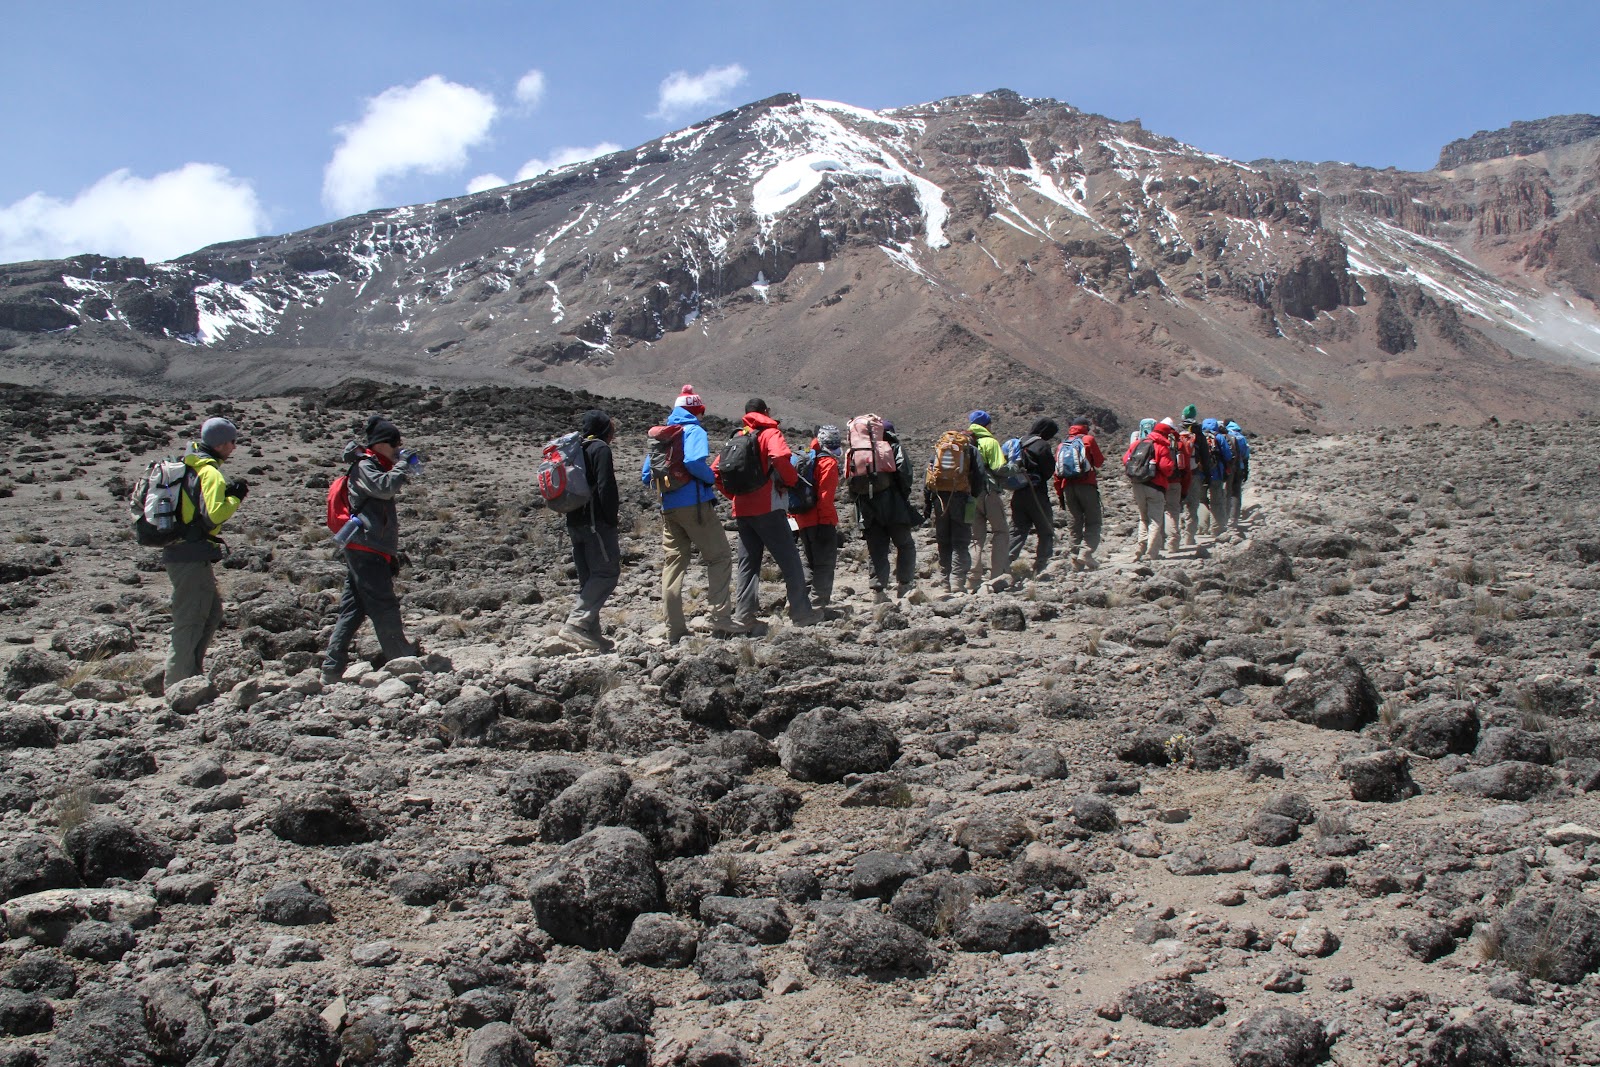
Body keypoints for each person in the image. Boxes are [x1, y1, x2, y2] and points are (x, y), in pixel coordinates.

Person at [323, 415, 422, 682]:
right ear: (382, 443)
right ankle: (401, 659)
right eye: (395, 443)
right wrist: (402, 465)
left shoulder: (374, 465)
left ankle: (332, 667)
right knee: (383, 604)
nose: (398, 447)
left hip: (367, 546)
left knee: (353, 609)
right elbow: (385, 488)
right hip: (367, 547)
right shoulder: (365, 466)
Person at [642, 385, 736, 643]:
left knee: (674, 564)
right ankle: (721, 619)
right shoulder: (694, 431)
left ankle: (674, 628)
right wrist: (710, 478)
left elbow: (645, 476)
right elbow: (694, 462)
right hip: (695, 506)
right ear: (696, 410)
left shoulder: (662, 436)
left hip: (668, 507)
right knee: (719, 557)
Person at [717, 399, 820, 630]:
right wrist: (791, 481)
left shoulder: (737, 436)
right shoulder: (770, 433)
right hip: (769, 508)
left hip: (742, 511)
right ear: (766, 412)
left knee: (747, 564)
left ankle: (745, 615)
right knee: (791, 561)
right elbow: (780, 457)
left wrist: (734, 496)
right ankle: (802, 614)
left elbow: (716, 470)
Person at [163, 416, 247, 687]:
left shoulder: (192, 464)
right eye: (232, 441)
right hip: (190, 552)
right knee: (190, 617)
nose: (234, 447)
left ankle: (192, 675)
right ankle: (178, 684)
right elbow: (215, 514)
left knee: (210, 613)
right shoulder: (209, 471)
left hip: (189, 550)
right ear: (221, 443)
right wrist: (235, 497)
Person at [560, 410, 621, 651]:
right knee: (607, 572)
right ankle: (575, 624)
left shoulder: (575, 450)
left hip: (574, 520)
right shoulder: (600, 449)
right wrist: (611, 518)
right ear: (606, 429)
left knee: (588, 579)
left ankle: (591, 633)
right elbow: (606, 486)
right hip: (596, 523)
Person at [855, 419, 920, 600]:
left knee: (877, 549)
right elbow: (905, 475)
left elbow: (851, 485)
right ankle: (904, 586)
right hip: (894, 506)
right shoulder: (894, 448)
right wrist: (901, 495)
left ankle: (878, 591)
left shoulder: (860, 452)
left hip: (868, 508)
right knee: (905, 544)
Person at [925, 425, 983, 592]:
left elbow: (928, 475)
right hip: (961, 497)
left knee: (943, 541)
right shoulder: (970, 450)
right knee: (961, 540)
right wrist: (973, 495)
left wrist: (928, 503)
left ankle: (944, 581)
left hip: (939, 498)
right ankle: (957, 581)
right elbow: (979, 475)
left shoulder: (939, 449)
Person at [792, 425, 842, 610]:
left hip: (802, 519)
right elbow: (825, 499)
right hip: (821, 521)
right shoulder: (828, 463)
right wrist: (826, 523)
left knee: (809, 561)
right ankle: (818, 604)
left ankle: (800, 601)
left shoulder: (805, 458)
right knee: (825, 563)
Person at [965, 410, 1011, 591]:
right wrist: (1015, 467)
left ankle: (973, 579)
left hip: (969, 496)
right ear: (987, 424)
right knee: (1001, 531)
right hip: (988, 492)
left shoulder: (967, 443)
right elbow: (999, 468)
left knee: (976, 537)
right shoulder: (990, 442)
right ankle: (997, 576)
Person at [1007, 418, 1058, 575]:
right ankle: (1041, 566)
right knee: (1046, 528)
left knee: (1018, 529)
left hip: (1018, 492)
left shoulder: (1019, 442)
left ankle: (1004, 562)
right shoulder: (1042, 445)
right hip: (1036, 492)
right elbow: (1049, 470)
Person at [1053, 417, 1106, 570]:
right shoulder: (1088, 439)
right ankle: (1086, 553)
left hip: (1068, 487)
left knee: (1074, 523)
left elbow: (1057, 474)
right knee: (1093, 521)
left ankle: (1075, 558)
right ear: (1085, 427)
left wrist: (1060, 495)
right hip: (1086, 486)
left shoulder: (1062, 444)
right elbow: (1099, 462)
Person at [1123, 417, 1176, 562]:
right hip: (1155, 486)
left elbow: (1125, 459)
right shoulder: (1161, 446)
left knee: (1143, 517)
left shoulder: (1138, 443)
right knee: (1155, 519)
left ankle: (1141, 547)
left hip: (1137, 484)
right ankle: (1152, 552)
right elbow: (1166, 468)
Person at [1179, 405, 1214, 544]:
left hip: (1179, 475)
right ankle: (1189, 537)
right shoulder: (1199, 433)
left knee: (1175, 506)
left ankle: (1173, 538)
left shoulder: (1177, 430)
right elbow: (1205, 457)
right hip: (1195, 473)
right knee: (1192, 505)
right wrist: (1207, 475)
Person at [1162, 417, 1193, 555]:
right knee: (1173, 511)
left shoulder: (1154, 442)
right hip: (1175, 482)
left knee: (1158, 512)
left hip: (1158, 482)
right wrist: (1185, 489)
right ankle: (1173, 543)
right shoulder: (1179, 444)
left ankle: (1158, 543)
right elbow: (1186, 468)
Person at [1199, 417, 1233, 536]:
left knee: (1202, 500)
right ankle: (1217, 529)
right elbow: (1228, 455)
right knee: (1217, 501)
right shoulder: (1219, 437)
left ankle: (1202, 528)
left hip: (1201, 474)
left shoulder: (1198, 436)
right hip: (1216, 473)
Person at [1223, 419, 1251, 530]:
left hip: (1229, 468)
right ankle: (1234, 519)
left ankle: (1225, 518)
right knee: (1236, 493)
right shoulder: (1241, 437)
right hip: (1240, 467)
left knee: (1227, 492)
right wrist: (1246, 470)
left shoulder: (1226, 435)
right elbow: (1246, 455)